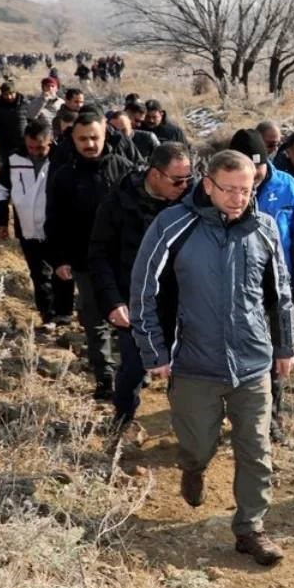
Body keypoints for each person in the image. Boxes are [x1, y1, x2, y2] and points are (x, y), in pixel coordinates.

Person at [129, 150, 294, 566]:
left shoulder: (265, 229)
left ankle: (251, 529)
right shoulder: (173, 225)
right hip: (193, 364)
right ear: (208, 184)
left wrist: (286, 346)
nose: (240, 198)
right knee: (199, 444)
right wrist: (155, 352)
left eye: (247, 189)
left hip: (253, 364)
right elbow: (143, 290)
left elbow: (282, 292)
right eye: (230, 189)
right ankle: (193, 465)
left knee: (256, 450)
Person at [232, 129, 294, 433]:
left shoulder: (286, 187)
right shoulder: (219, 188)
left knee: (278, 349)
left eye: (259, 167)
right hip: (233, 286)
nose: (255, 176)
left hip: (277, 285)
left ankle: (271, 418)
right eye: (248, 170)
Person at [87, 142, 193, 428]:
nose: (185, 186)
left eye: (189, 179)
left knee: (187, 371)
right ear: (155, 174)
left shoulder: (191, 203)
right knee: (133, 368)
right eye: (178, 180)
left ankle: (188, 426)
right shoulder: (118, 202)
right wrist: (112, 301)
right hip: (136, 303)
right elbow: (99, 255)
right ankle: (122, 420)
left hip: (183, 302)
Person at [45, 112, 134, 400]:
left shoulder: (125, 170)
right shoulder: (64, 176)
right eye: (83, 139)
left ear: (105, 134)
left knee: (129, 320)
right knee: (95, 322)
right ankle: (105, 378)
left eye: (95, 137)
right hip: (84, 262)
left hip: (124, 263)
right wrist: (59, 259)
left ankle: (133, 373)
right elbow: (54, 220)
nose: (90, 144)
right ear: (73, 139)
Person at [0, 118, 74, 329]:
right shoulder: (14, 159)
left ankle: (64, 314)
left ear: (51, 141)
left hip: (58, 228)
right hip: (27, 227)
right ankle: (48, 315)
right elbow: (1, 190)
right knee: (39, 274)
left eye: (40, 147)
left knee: (62, 272)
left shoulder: (63, 158)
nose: (35, 151)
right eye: (31, 147)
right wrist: (1, 222)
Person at [0, 81, 28, 162]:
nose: (9, 97)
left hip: (24, 144)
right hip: (4, 145)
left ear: (16, 92)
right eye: (6, 94)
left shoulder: (25, 104)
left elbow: (32, 121)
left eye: (11, 94)